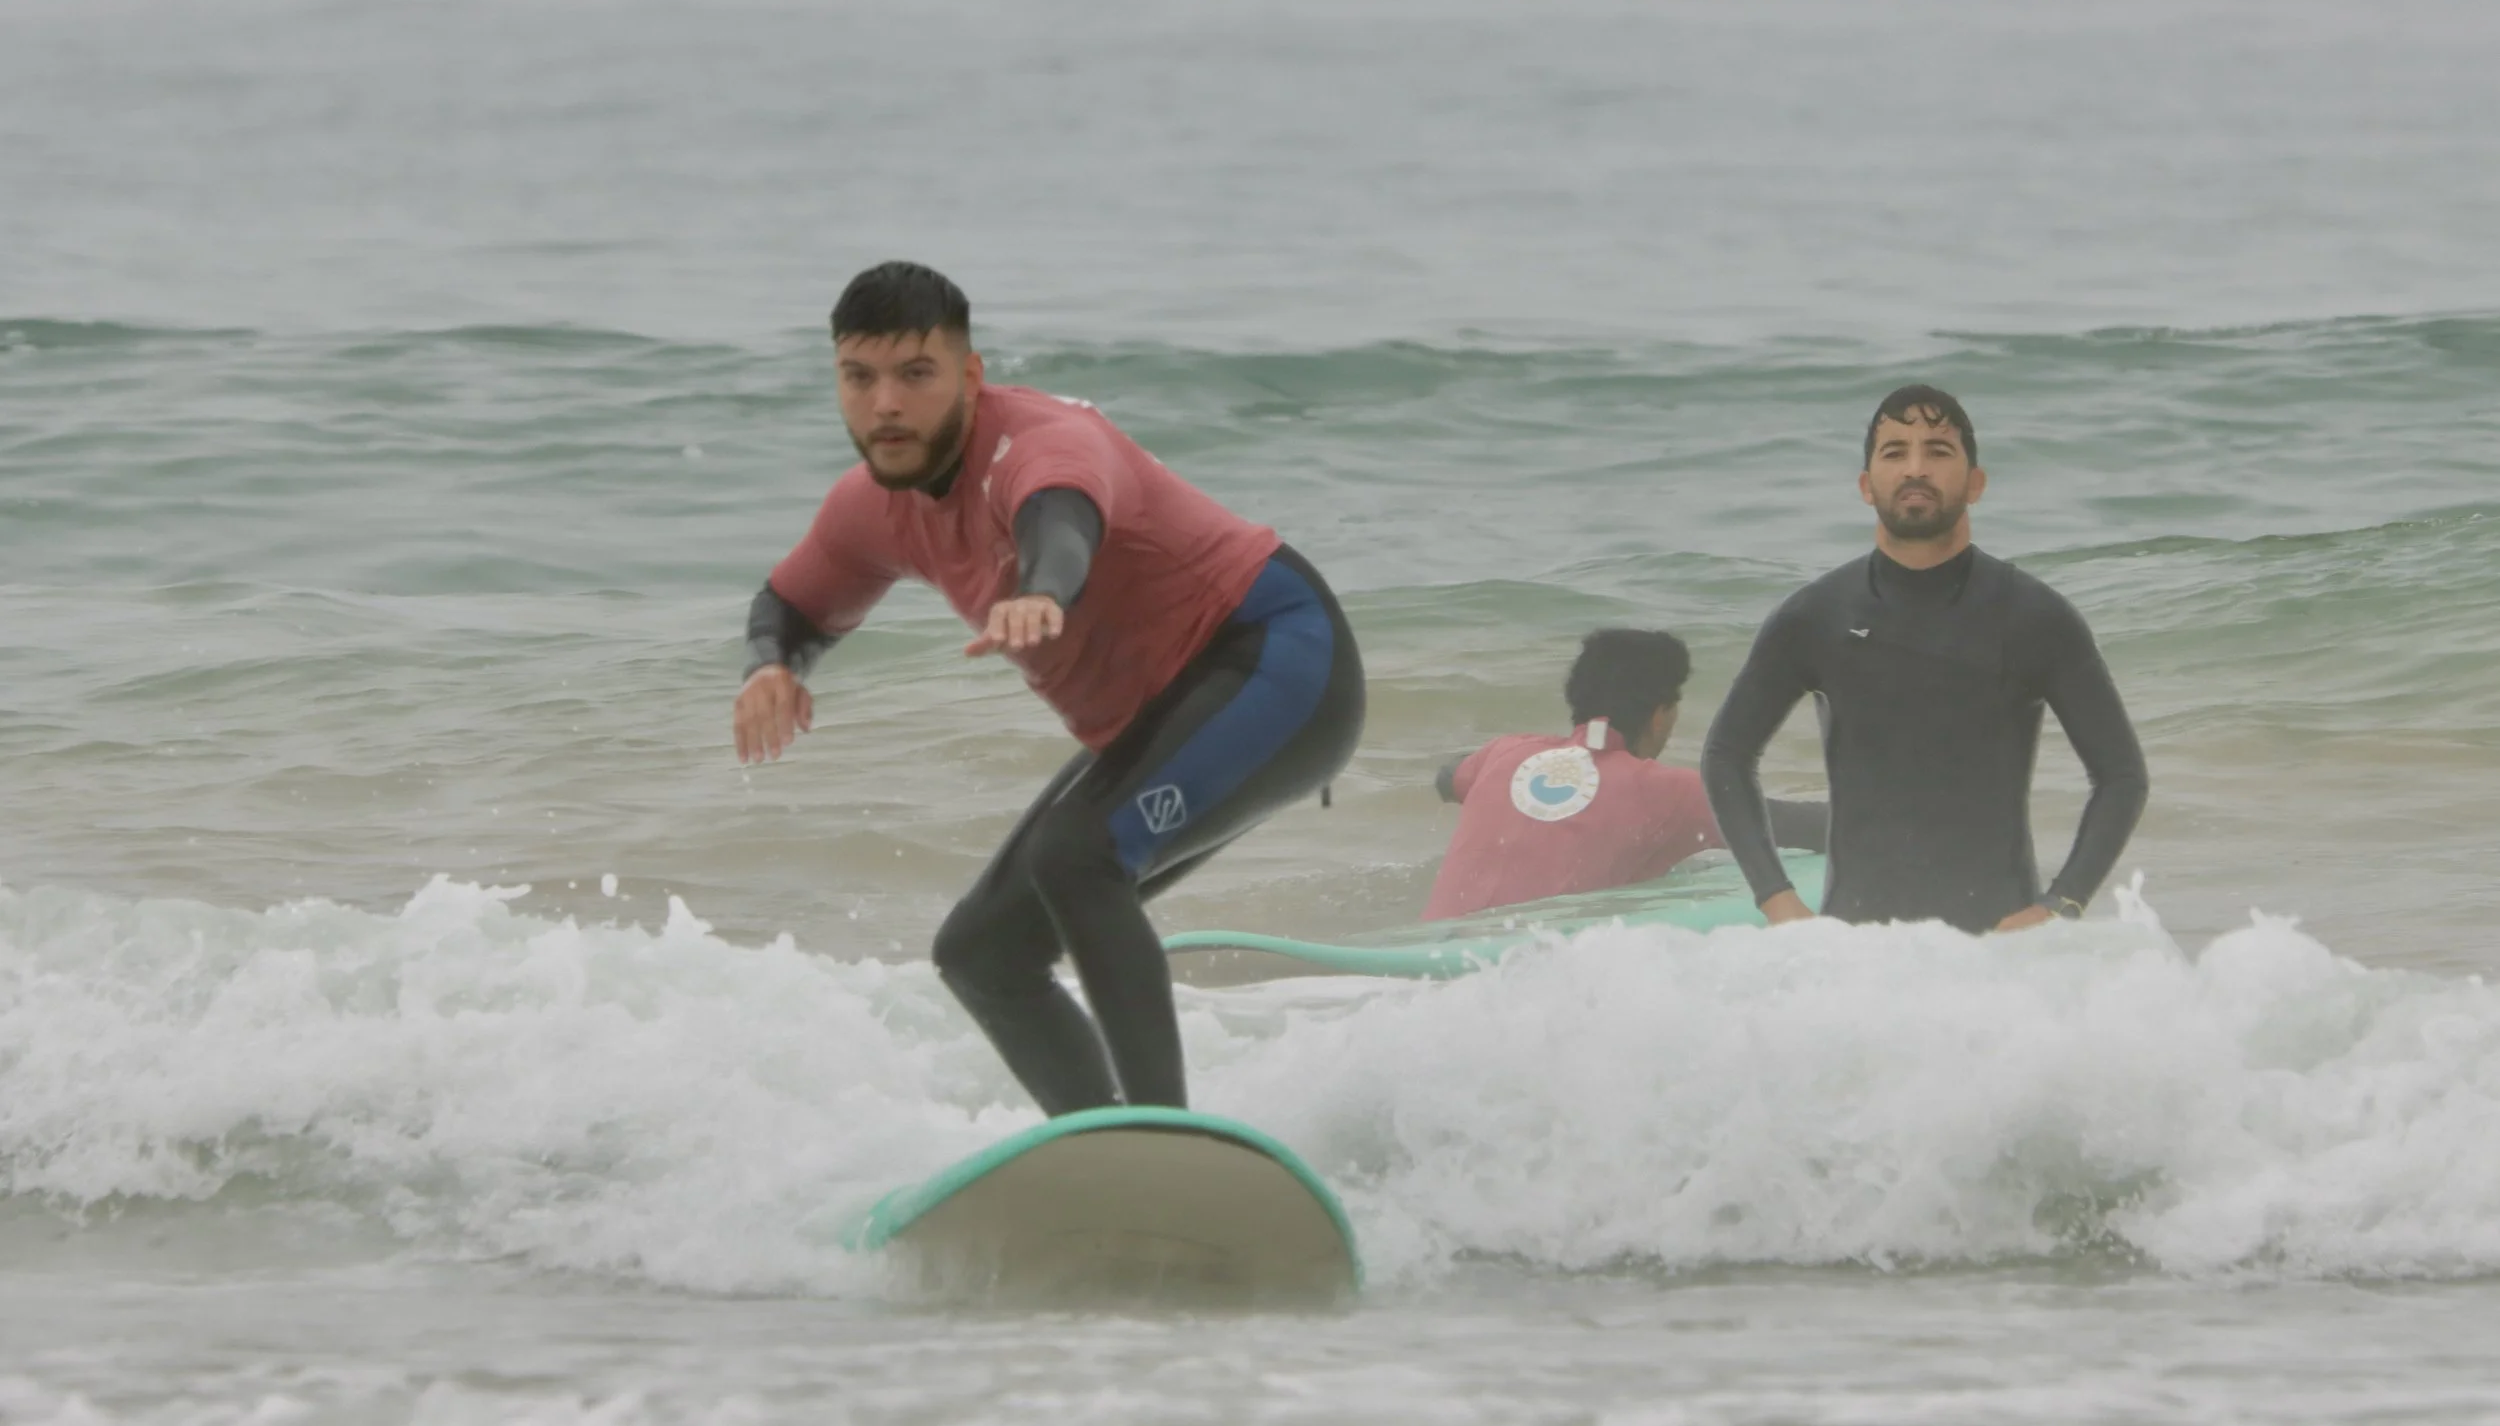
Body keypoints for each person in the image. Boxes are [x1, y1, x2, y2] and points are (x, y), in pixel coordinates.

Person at [734, 261, 1364, 1114]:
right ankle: (1102, 1145)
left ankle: (1164, 1140)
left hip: (1280, 660)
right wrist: (773, 665)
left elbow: (1061, 519)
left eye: (915, 375)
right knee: (981, 954)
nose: (884, 404)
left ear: (970, 374)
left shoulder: (1040, 446)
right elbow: (791, 603)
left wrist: (1041, 591)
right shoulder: (872, 507)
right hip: (1165, 713)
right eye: (859, 377)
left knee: (1078, 857)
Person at [1700, 384, 2148, 934]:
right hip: (1856, 948)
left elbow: (2121, 776)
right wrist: (1777, 899)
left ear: (1976, 483)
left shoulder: (2034, 617)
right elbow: (1727, 755)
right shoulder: (1814, 617)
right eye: (1895, 453)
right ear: (1866, 486)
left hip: (1998, 948)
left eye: (1938, 451)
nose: (1916, 468)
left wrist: (2063, 903)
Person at [1424, 629, 1827, 920]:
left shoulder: (1505, 752)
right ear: (1659, 715)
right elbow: (1803, 827)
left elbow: (1447, 779)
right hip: (1530, 972)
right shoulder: (1672, 793)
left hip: (1432, 952)